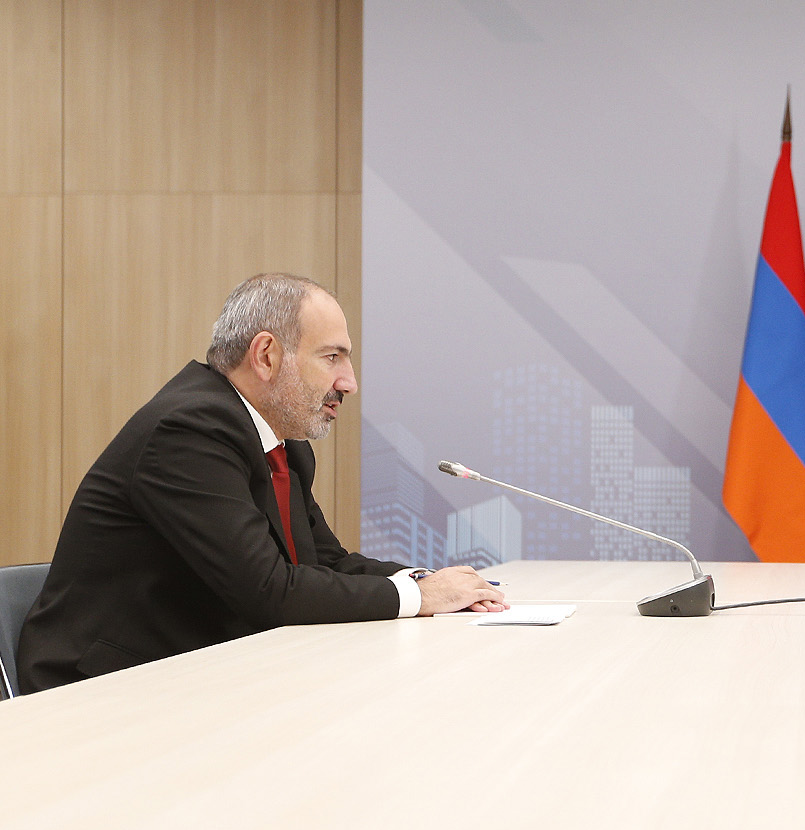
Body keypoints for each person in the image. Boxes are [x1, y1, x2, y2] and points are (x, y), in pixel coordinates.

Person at [16, 273, 505, 693]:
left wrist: (428, 583)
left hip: (199, 673)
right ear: (267, 356)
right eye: (332, 357)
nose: (349, 382)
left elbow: (326, 563)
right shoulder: (189, 430)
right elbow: (268, 590)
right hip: (105, 688)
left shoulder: (281, 444)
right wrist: (422, 599)